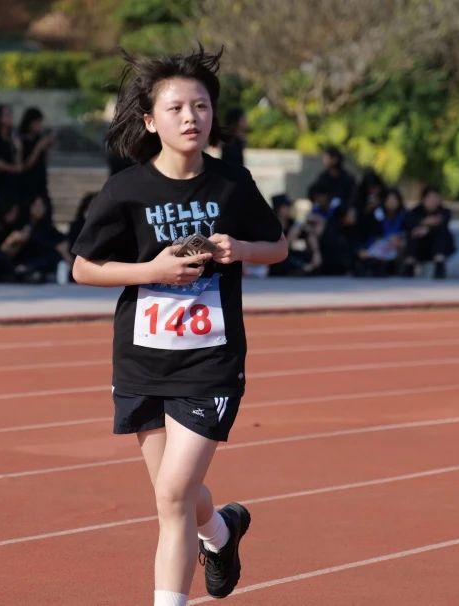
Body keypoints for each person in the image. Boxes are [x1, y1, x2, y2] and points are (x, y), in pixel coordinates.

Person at [70, 46, 287, 606]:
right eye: (176, 108)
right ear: (150, 121)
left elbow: (278, 246)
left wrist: (241, 249)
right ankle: (221, 531)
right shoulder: (126, 190)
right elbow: (84, 267)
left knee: (171, 495)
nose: (191, 117)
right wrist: (154, 271)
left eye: (201, 106)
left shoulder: (232, 184)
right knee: (178, 494)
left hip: (209, 361)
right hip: (142, 360)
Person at [16, 195, 73, 282]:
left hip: (44, 260)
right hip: (26, 258)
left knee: (54, 255)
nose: (38, 209)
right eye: (36, 206)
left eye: (41, 206)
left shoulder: (47, 226)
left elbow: (60, 239)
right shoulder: (23, 225)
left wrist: (62, 247)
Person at [403, 186, 455, 279]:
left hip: (439, 248)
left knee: (441, 233)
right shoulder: (415, 212)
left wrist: (427, 230)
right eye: (430, 198)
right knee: (414, 233)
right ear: (423, 199)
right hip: (421, 248)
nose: (433, 201)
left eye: (435, 198)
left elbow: (443, 223)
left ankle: (439, 264)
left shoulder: (445, 212)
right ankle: (409, 264)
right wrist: (424, 223)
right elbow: (410, 224)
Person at [268, 194, 322, 276]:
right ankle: (304, 269)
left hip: (290, 254)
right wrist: (293, 232)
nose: (290, 209)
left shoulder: (292, 222)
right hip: (277, 259)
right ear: (280, 209)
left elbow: (310, 235)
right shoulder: (271, 225)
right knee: (288, 263)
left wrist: (316, 253)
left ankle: (307, 268)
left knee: (307, 257)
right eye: (287, 207)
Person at [17, 107, 57, 203]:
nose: (39, 126)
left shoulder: (39, 138)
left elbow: (46, 160)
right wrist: (38, 147)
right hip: (27, 184)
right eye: (37, 122)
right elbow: (26, 165)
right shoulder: (21, 140)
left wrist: (48, 146)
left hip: (41, 183)